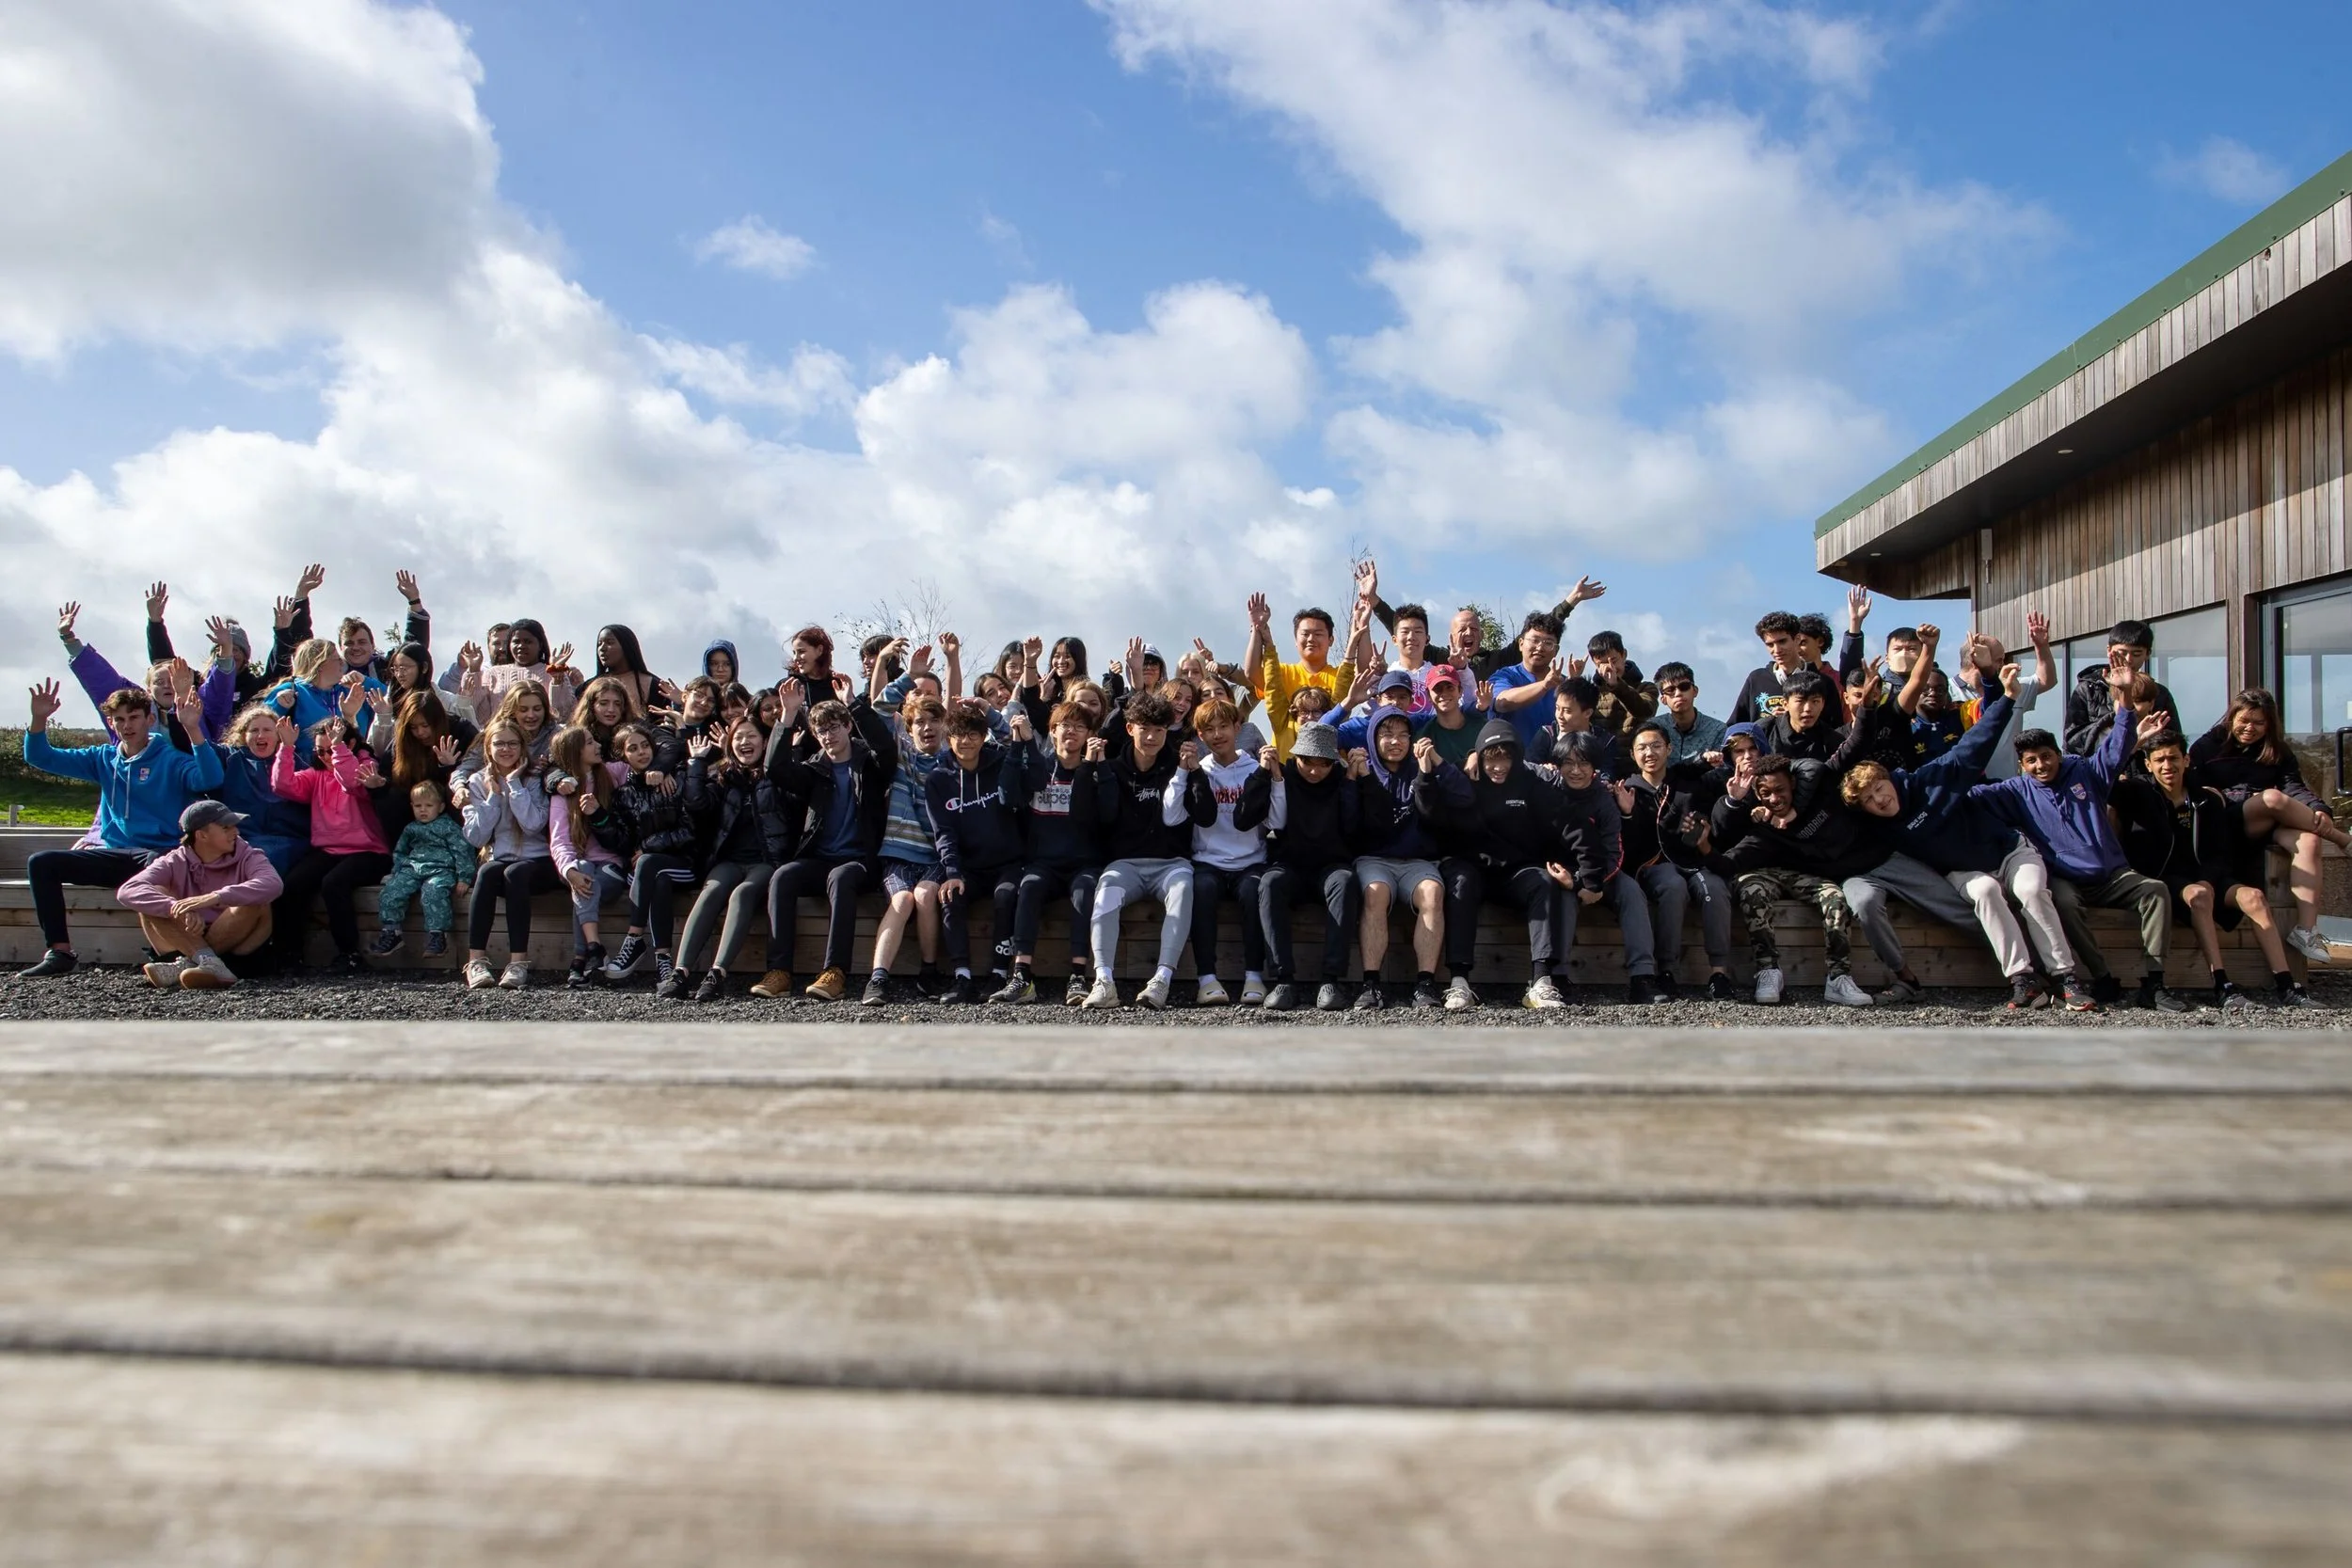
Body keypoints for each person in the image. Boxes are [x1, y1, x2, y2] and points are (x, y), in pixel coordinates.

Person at [1840, 666, 2093, 1012]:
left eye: (1879, 789)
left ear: (1888, 781)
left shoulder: (1927, 782)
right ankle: (2023, 980)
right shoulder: (1879, 825)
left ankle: (2066, 978)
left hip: (2008, 852)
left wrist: (2006, 699)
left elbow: (1974, 745)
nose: (1880, 800)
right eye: (1869, 800)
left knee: (2031, 891)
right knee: (1986, 892)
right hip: (1965, 872)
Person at [1972, 685, 2184, 1011]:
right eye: (2031, 761)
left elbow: (2116, 749)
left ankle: (2154, 983)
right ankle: (2103, 978)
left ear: (2058, 753)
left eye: (2046, 756)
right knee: (2064, 903)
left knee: (2156, 891)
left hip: (2111, 873)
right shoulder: (2015, 791)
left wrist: (2125, 702)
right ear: (2022, 765)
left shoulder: (2085, 772)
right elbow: (1966, 795)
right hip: (2064, 878)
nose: (2041, 765)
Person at [2115, 729, 2311, 1009]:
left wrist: (2209, 879)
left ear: (2186, 760)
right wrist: (2134, 740)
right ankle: (2222, 984)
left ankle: (2286, 985)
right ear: (2148, 764)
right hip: (2163, 880)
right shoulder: (2138, 793)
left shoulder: (2205, 800)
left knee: (2253, 897)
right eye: (2159, 760)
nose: (2167, 766)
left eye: (2173, 758)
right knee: (2200, 895)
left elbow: (2219, 853)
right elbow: (2103, 778)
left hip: (2206, 877)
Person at [754, 690, 898, 1004]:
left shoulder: (869, 765)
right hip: (820, 859)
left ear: (848, 726)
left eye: (834, 727)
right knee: (783, 876)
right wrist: (788, 716)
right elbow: (774, 770)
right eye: (821, 731)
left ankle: (835, 971)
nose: (827, 736)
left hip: (861, 861)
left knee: (841, 877)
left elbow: (886, 749)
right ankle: (779, 972)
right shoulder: (814, 769)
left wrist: (855, 705)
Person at [2189, 688, 2352, 965]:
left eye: (2259, 723)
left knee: (2309, 841)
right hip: (2227, 820)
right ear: (2231, 718)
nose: (2250, 728)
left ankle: (2306, 930)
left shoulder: (2277, 750)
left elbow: (2295, 787)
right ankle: (2342, 838)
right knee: (2273, 798)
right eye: (2244, 720)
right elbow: (2194, 789)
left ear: (2269, 724)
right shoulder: (2206, 747)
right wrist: (2236, 797)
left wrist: (2319, 809)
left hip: (2265, 821)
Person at [1708, 753, 1882, 1007]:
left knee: (1835, 897)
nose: (1775, 799)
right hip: (1762, 872)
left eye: (1780, 790)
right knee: (1751, 889)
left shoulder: (1814, 798)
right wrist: (1703, 847)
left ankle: (1839, 978)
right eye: (1766, 793)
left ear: (1792, 784)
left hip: (1806, 874)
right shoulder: (1755, 816)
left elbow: (1819, 765)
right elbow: (1727, 849)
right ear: (1757, 794)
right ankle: (1768, 972)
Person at [1433, 721, 1570, 1012]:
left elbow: (1559, 821)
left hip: (1516, 872)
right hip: (1473, 869)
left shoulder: (1532, 781)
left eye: (1505, 758)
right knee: (1460, 882)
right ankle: (1459, 981)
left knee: (1544, 882)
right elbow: (1437, 808)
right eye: (1491, 758)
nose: (1499, 766)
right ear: (1480, 757)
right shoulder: (1465, 775)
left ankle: (1541, 981)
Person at [1078, 689, 1193, 1008]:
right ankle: (1104, 982)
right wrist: (1092, 768)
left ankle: (1162, 980)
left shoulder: (1178, 766)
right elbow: (1090, 816)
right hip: (1125, 863)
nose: (1153, 736)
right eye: (1146, 728)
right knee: (1106, 893)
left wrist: (1192, 772)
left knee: (1184, 888)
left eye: (1159, 729)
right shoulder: (1112, 768)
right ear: (1130, 729)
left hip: (1171, 863)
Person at [992, 699, 1107, 1006]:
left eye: (1079, 726)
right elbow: (1008, 796)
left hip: (1084, 863)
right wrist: (1021, 744)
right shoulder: (1039, 767)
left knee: (1085, 891)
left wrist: (1097, 768)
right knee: (1028, 887)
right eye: (1064, 726)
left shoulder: (1094, 771)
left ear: (1088, 734)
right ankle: (1021, 975)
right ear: (1052, 732)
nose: (1071, 731)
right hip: (1042, 862)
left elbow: (1105, 816)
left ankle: (1078, 975)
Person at [1615, 721, 1738, 1002]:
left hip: (1693, 861)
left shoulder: (1688, 786)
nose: (1650, 753)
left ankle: (1719, 973)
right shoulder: (1628, 790)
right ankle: (1666, 970)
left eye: (1656, 746)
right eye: (1642, 748)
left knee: (1715, 888)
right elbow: (1628, 850)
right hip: (1653, 866)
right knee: (1672, 885)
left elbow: (1710, 821)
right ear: (1633, 754)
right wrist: (1627, 815)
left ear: (1669, 749)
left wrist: (1700, 831)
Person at [268, 714, 396, 972]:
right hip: (329, 850)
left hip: (369, 851)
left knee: (334, 883)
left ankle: (349, 953)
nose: (326, 756)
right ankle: (289, 952)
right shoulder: (316, 776)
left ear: (349, 745)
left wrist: (338, 749)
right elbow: (283, 785)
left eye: (332, 748)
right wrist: (287, 747)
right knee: (292, 884)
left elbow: (351, 782)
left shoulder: (366, 765)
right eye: (321, 751)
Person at [928, 700, 1035, 1004]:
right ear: (949, 739)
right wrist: (952, 872)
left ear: (982, 736)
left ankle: (999, 974)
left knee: (1005, 896)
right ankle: (962, 978)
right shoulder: (938, 779)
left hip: (1008, 862)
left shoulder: (999, 761)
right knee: (951, 895)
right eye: (959, 735)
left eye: (973, 734)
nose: (966, 741)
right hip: (970, 867)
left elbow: (1017, 748)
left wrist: (989, 711)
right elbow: (943, 832)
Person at [114, 799, 281, 989]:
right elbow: (128, 890)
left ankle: (190, 964)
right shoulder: (173, 860)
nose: (236, 832)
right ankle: (209, 964)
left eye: (234, 826)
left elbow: (273, 884)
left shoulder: (250, 855)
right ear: (202, 835)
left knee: (254, 899)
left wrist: (214, 897)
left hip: (237, 943)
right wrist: (176, 908)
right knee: (154, 895)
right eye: (226, 828)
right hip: (186, 935)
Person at [1176, 697, 1279, 1006]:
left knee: (1253, 893)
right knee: (1202, 890)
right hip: (1207, 860)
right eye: (1209, 729)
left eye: (1224, 726)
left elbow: (1277, 819)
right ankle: (1206, 978)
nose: (1217, 734)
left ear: (1238, 728)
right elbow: (1172, 815)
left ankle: (1254, 976)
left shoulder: (1254, 766)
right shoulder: (1198, 769)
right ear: (1199, 734)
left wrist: (1274, 775)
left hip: (1251, 861)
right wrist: (1184, 774)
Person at [1349, 708, 1453, 1010]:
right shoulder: (1362, 769)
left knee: (1433, 892)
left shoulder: (1419, 768)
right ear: (1373, 738)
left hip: (1417, 860)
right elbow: (1353, 825)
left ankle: (1425, 983)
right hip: (1373, 858)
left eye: (1402, 735)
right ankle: (1371, 983)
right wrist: (1352, 780)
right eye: (1387, 735)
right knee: (1375, 892)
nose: (1395, 742)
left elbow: (1434, 817)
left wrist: (1426, 775)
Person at [1255, 721, 1359, 1011]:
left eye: (1323, 764)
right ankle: (1282, 978)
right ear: (1295, 756)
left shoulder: (1342, 778)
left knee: (1345, 881)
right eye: (1307, 762)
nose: (1315, 770)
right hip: (1290, 864)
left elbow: (1353, 828)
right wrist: (1265, 774)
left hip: (1332, 865)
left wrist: (1351, 783)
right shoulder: (1284, 775)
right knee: (1269, 883)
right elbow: (1251, 815)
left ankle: (1330, 979)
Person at [456, 719, 559, 990]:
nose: (506, 749)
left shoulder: (535, 777)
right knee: (488, 870)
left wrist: (514, 785)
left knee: (515, 871)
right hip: (501, 860)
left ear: (522, 746)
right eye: (499, 743)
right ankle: (476, 961)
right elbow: (476, 837)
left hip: (539, 862)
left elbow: (533, 824)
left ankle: (518, 963)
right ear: (488, 748)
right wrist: (493, 796)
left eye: (512, 743)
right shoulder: (477, 782)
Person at [864, 690, 953, 1004]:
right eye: (919, 722)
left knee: (925, 895)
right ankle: (878, 978)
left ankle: (928, 971)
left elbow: (997, 740)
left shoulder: (954, 761)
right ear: (909, 728)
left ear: (945, 725)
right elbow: (879, 711)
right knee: (902, 899)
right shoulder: (902, 756)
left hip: (936, 857)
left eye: (933, 721)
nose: (927, 727)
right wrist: (906, 679)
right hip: (900, 853)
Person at [600, 721, 702, 990]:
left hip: (683, 862)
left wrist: (649, 847)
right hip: (648, 873)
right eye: (633, 749)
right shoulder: (623, 795)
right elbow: (623, 842)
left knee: (649, 864)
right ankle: (663, 959)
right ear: (624, 756)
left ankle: (634, 938)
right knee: (656, 879)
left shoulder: (674, 779)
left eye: (645, 745)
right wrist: (597, 818)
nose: (642, 752)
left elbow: (690, 831)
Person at [1245, 581, 1374, 759]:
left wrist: (1363, 627)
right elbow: (1251, 672)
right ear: (1295, 640)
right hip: (1286, 766)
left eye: (1318, 634)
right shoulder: (1281, 673)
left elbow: (1365, 673)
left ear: (1331, 640)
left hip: (1327, 767)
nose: (1311, 639)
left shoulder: (1340, 676)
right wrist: (1256, 629)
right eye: (1305, 634)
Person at [546, 726, 633, 986]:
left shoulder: (613, 772)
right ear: (575, 751)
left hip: (611, 864)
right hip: (580, 865)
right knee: (582, 873)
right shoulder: (563, 793)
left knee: (587, 886)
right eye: (589, 742)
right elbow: (559, 840)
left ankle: (581, 957)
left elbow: (640, 764)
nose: (597, 746)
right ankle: (594, 949)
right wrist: (569, 871)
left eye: (595, 740)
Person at [370, 781, 475, 961]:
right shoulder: (411, 828)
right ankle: (391, 931)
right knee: (391, 891)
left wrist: (464, 877)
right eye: (418, 806)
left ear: (441, 807)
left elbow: (462, 851)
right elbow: (401, 851)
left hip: (441, 869)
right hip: (413, 868)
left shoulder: (448, 827)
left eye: (429, 805)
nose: (423, 810)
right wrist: (397, 871)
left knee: (433, 892)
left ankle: (437, 936)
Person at [207, 703, 310, 876]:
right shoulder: (231, 757)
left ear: (278, 735)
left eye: (267, 730)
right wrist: (191, 725)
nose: (260, 735)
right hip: (241, 838)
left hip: (285, 840)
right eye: (254, 730)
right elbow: (200, 746)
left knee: (262, 861)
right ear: (243, 736)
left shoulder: (296, 761)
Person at [2063, 619, 2177, 756]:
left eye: (2136, 654)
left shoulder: (2158, 692)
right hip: (2101, 773)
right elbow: (2072, 742)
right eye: (2122, 653)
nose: (2128, 660)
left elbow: (2173, 741)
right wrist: (2117, 718)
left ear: (2147, 654)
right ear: (2109, 650)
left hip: (2144, 774)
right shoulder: (2089, 689)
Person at [1486, 611, 1567, 752]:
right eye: (1535, 640)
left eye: (1548, 643)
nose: (1540, 647)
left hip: (1553, 768)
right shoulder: (1504, 676)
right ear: (1521, 644)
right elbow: (1502, 702)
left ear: (1556, 650)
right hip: (1510, 765)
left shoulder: (1565, 684)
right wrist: (1544, 685)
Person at [1729, 611, 1814, 724]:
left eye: (1782, 641)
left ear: (1797, 639)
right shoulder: (1756, 679)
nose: (1777, 650)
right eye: (1770, 645)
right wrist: (1768, 722)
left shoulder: (1822, 681)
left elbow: (1835, 730)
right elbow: (1735, 727)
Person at [1581, 631, 1658, 742]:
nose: (1610, 668)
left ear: (1624, 654)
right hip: (1600, 757)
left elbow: (1645, 712)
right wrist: (1573, 679)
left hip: (1634, 757)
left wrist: (1617, 685)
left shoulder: (1646, 688)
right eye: (1601, 664)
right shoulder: (1591, 693)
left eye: (1613, 661)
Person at [1648, 662, 1726, 768]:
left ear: (1695, 691)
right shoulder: (1653, 728)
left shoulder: (1718, 729)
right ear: (1663, 699)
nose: (1678, 693)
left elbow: (1721, 771)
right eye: (1670, 690)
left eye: (1684, 687)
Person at [1412, 664, 1488, 768]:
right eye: (1437, 689)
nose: (1444, 693)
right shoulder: (1424, 737)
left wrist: (1477, 756)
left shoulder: (1483, 728)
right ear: (1429, 696)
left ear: (1460, 691)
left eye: (1450, 687)